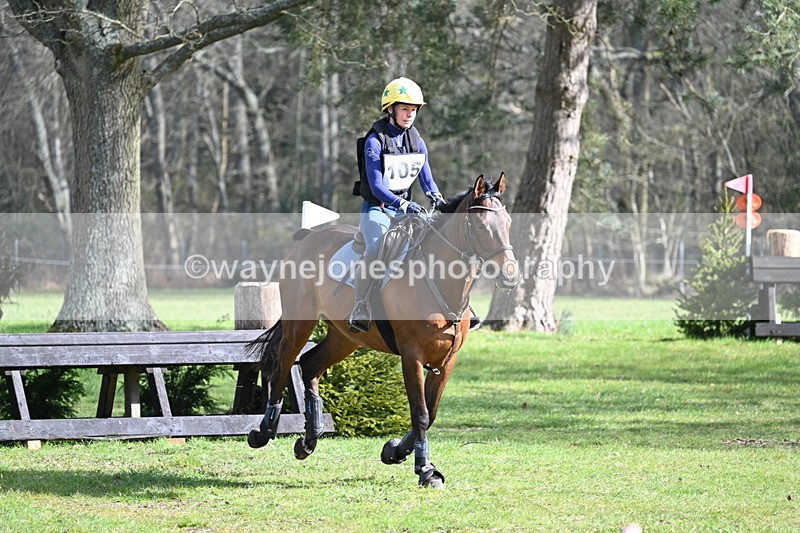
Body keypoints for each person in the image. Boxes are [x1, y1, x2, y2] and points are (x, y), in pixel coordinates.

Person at [348, 77, 445, 333]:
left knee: (439, 242)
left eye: (413, 110)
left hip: (405, 211)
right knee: (376, 250)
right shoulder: (374, 141)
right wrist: (402, 204)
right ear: (390, 109)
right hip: (378, 210)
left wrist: (436, 197)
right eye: (404, 109)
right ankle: (360, 305)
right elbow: (377, 185)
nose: (409, 114)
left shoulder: (417, 141)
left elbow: (427, 179)